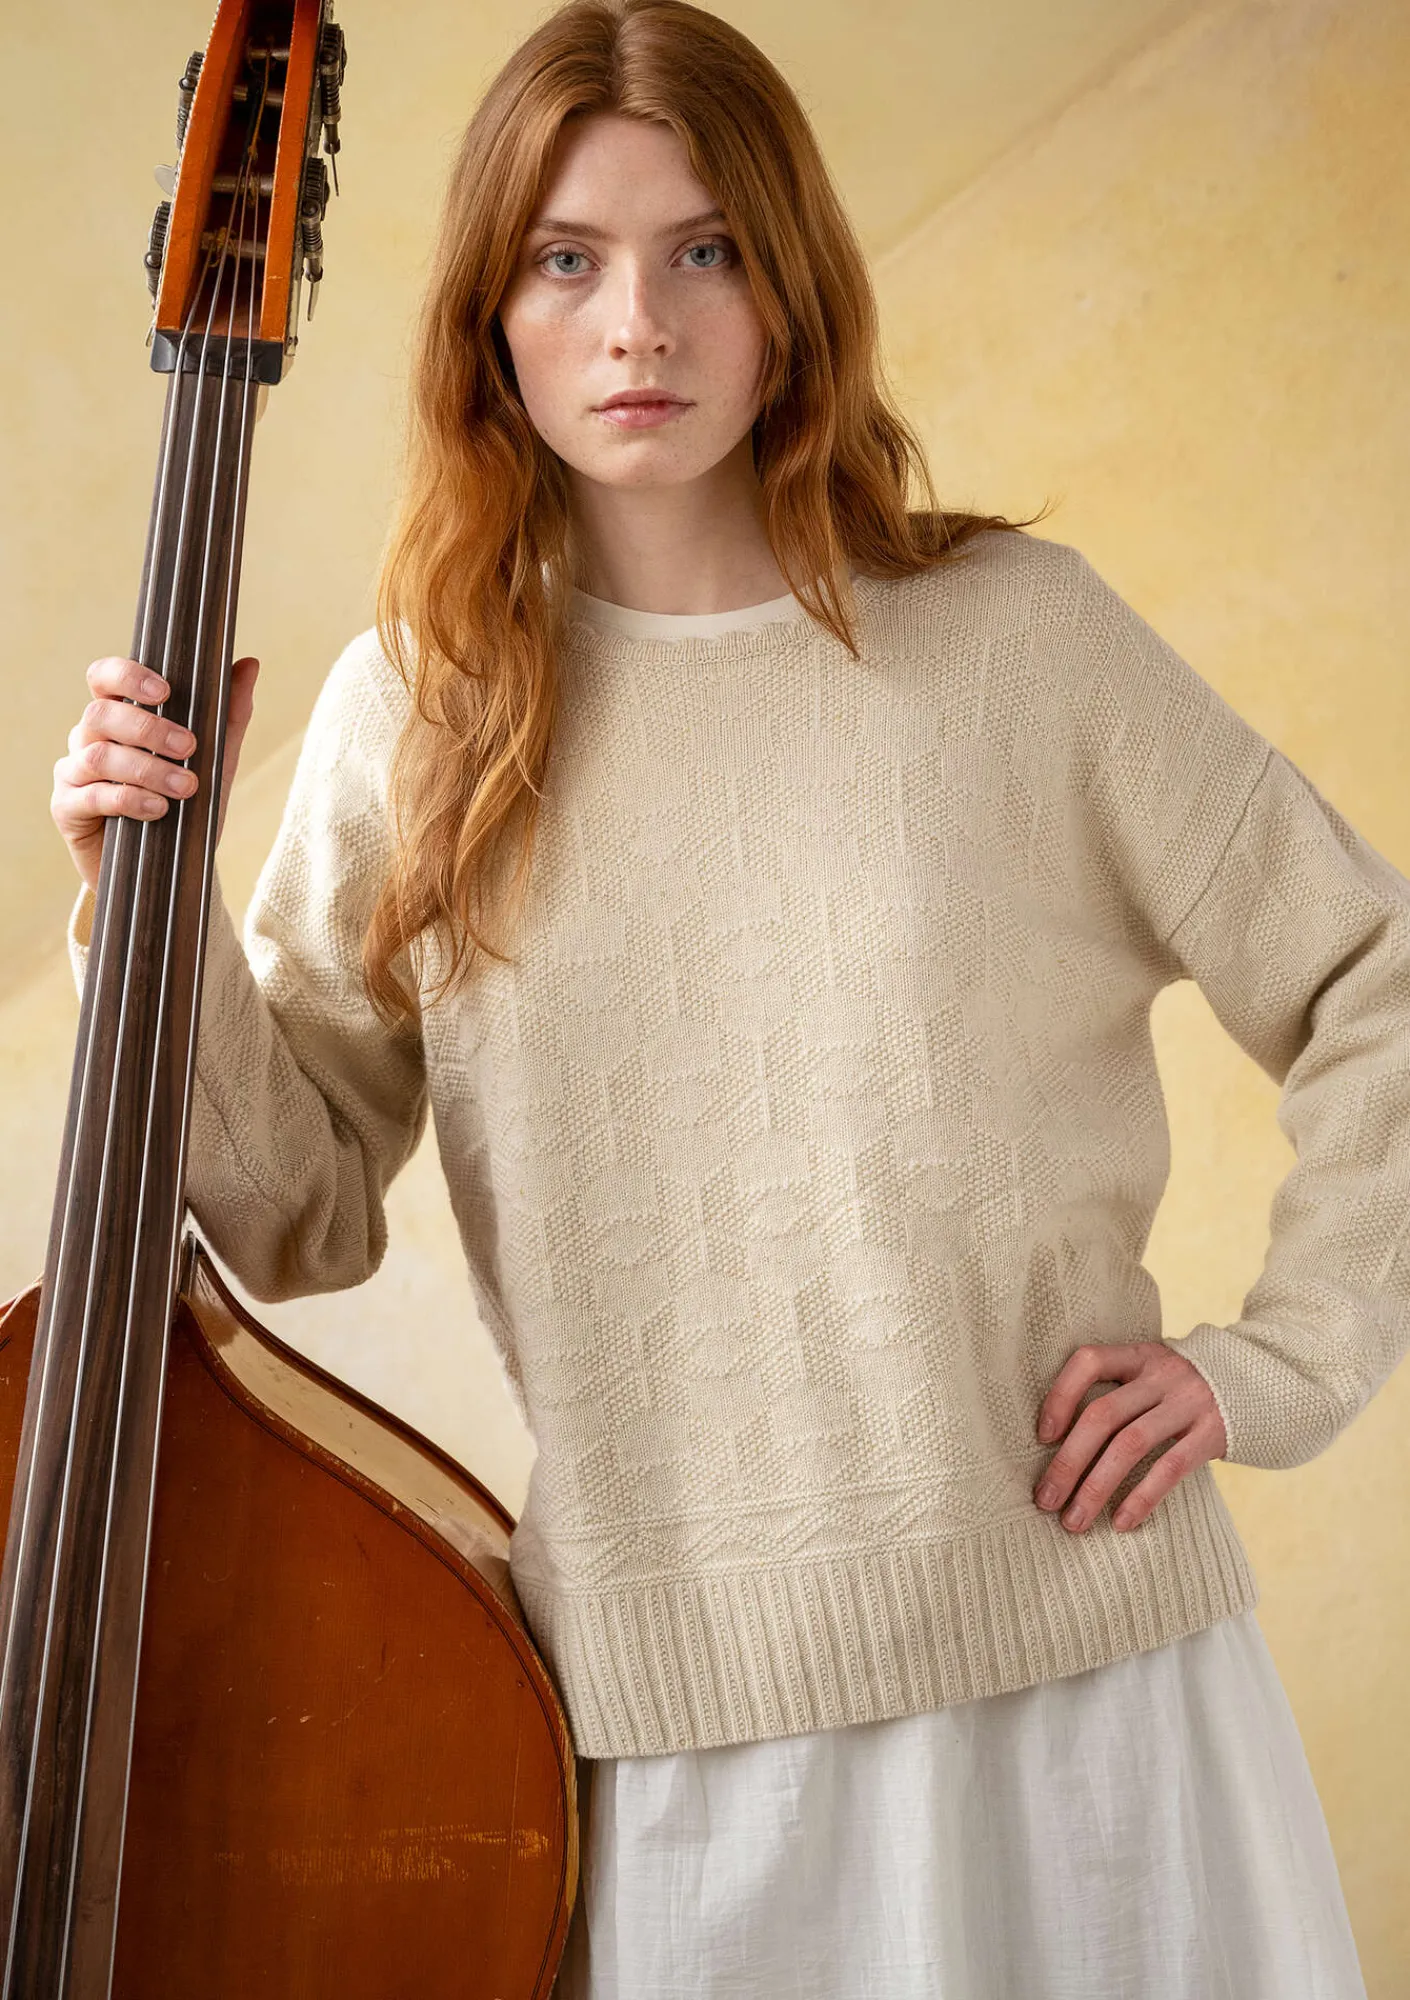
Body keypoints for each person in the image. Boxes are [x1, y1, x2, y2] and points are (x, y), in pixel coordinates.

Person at [51, 3, 1398, 1994]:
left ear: (792, 289)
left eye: (706, 251)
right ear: (490, 320)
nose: (639, 329)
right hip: (680, 1759)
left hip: (1093, 1694)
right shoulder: (416, 715)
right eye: (566, 261)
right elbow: (294, 1212)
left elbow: (1375, 975)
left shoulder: (1018, 647)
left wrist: (1274, 1362)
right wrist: (136, 910)